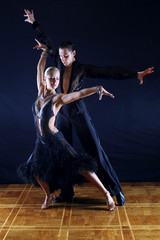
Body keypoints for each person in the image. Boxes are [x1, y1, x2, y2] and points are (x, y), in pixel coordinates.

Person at [23, 9, 154, 206]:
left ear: (73, 53)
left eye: (66, 56)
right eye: (60, 56)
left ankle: (115, 190)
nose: (63, 59)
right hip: (60, 116)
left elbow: (108, 72)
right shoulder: (57, 63)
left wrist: (135, 74)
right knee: (63, 159)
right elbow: (48, 45)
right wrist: (34, 23)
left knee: (95, 152)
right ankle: (67, 193)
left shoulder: (82, 68)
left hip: (77, 113)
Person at [17, 39, 116, 211]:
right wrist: (44, 52)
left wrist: (97, 88)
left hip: (56, 140)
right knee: (35, 171)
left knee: (81, 167)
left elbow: (78, 94)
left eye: (56, 79)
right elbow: (40, 68)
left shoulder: (58, 98)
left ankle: (106, 193)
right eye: (51, 79)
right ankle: (49, 195)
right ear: (45, 80)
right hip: (40, 142)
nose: (55, 82)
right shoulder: (40, 92)